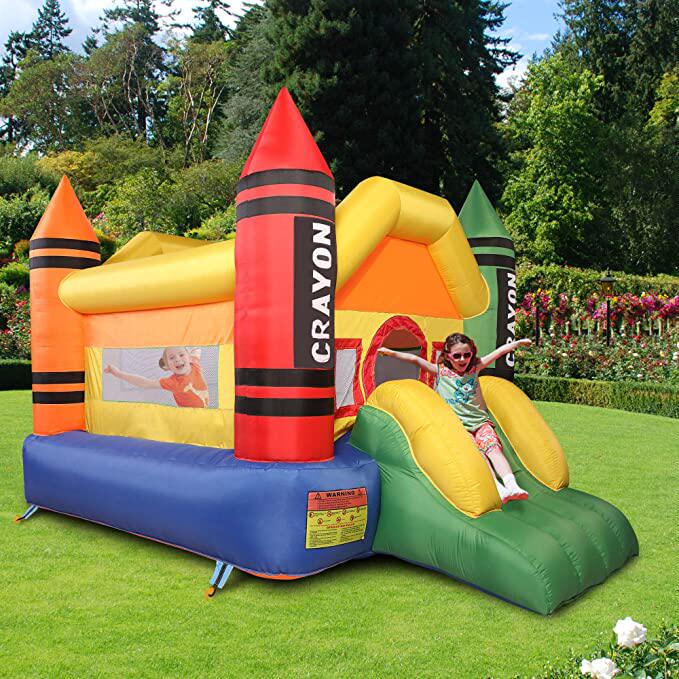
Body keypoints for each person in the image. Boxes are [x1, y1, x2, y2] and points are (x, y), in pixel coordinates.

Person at [377, 333, 532, 502]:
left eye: (467, 355)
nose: (462, 359)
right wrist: (390, 353)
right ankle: (498, 488)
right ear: (448, 356)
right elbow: (415, 360)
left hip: (480, 423)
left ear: (472, 354)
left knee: (493, 448)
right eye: (457, 356)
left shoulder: (475, 368)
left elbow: (499, 352)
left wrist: (518, 343)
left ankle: (512, 485)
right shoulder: (440, 371)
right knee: (478, 455)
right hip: (459, 427)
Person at [104, 346, 210, 408]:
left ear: (189, 357)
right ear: (167, 367)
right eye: (172, 358)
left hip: (206, 411)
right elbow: (145, 383)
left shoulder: (194, 364)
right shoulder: (172, 382)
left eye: (181, 355)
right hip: (189, 417)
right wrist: (118, 373)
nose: (177, 359)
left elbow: (197, 349)